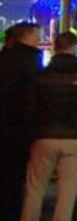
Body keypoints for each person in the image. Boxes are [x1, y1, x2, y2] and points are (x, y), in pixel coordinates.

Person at [20, 31, 77, 221]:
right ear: (75, 47)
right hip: (76, 139)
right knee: (67, 196)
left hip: (44, 138)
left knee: (34, 190)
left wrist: (31, 137)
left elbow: (30, 110)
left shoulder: (41, 76)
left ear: (55, 47)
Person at [0, 23, 42, 221]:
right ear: (27, 37)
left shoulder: (5, 58)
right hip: (20, 132)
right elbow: (33, 100)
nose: (40, 40)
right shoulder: (30, 62)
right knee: (16, 182)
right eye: (37, 36)